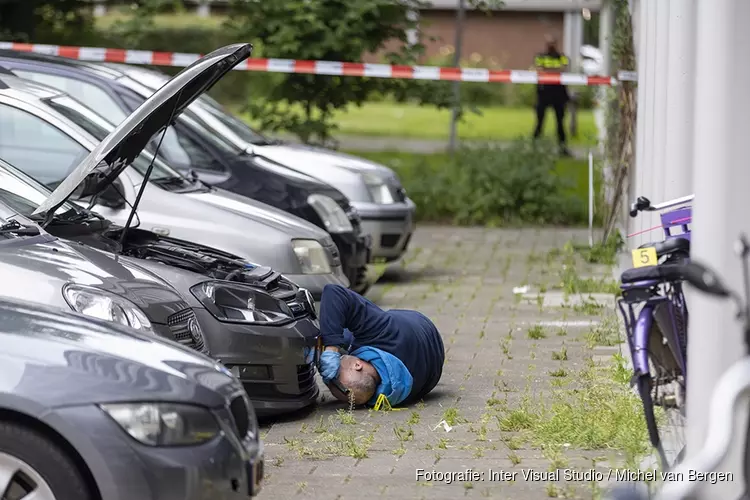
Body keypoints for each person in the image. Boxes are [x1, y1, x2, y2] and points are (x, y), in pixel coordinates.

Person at [316, 284, 445, 407]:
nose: (331, 375)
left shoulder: (375, 393)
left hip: (431, 370)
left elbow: (358, 393)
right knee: (336, 333)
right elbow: (334, 292)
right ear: (357, 365)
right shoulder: (385, 332)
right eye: (336, 374)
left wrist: (324, 349)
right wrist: (332, 348)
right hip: (419, 326)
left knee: (334, 334)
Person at [532, 34, 572, 156]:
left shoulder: (562, 57)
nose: (551, 45)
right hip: (544, 93)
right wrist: (554, 72)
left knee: (560, 123)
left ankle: (563, 149)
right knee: (539, 122)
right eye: (549, 43)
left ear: (556, 44)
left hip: (558, 94)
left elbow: (564, 69)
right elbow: (539, 70)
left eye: (553, 43)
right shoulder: (540, 57)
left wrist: (547, 71)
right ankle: (533, 147)